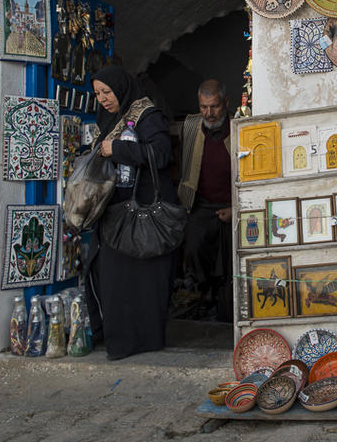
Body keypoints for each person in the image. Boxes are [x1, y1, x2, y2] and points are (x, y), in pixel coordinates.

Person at [86, 65, 176, 360]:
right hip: (113, 212)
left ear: (121, 89)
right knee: (113, 281)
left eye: (107, 92)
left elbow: (162, 154)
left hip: (143, 212)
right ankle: (119, 342)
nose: (102, 98)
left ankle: (147, 340)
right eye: (97, 93)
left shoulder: (147, 115)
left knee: (145, 283)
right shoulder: (106, 118)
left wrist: (118, 150)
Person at [177, 79, 232, 319]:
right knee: (194, 245)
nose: (209, 113)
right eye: (203, 107)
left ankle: (226, 300)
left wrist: (236, 208)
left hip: (234, 204)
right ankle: (205, 291)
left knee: (232, 255)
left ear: (226, 103)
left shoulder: (239, 126)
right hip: (201, 203)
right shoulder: (191, 126)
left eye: (215, 106)